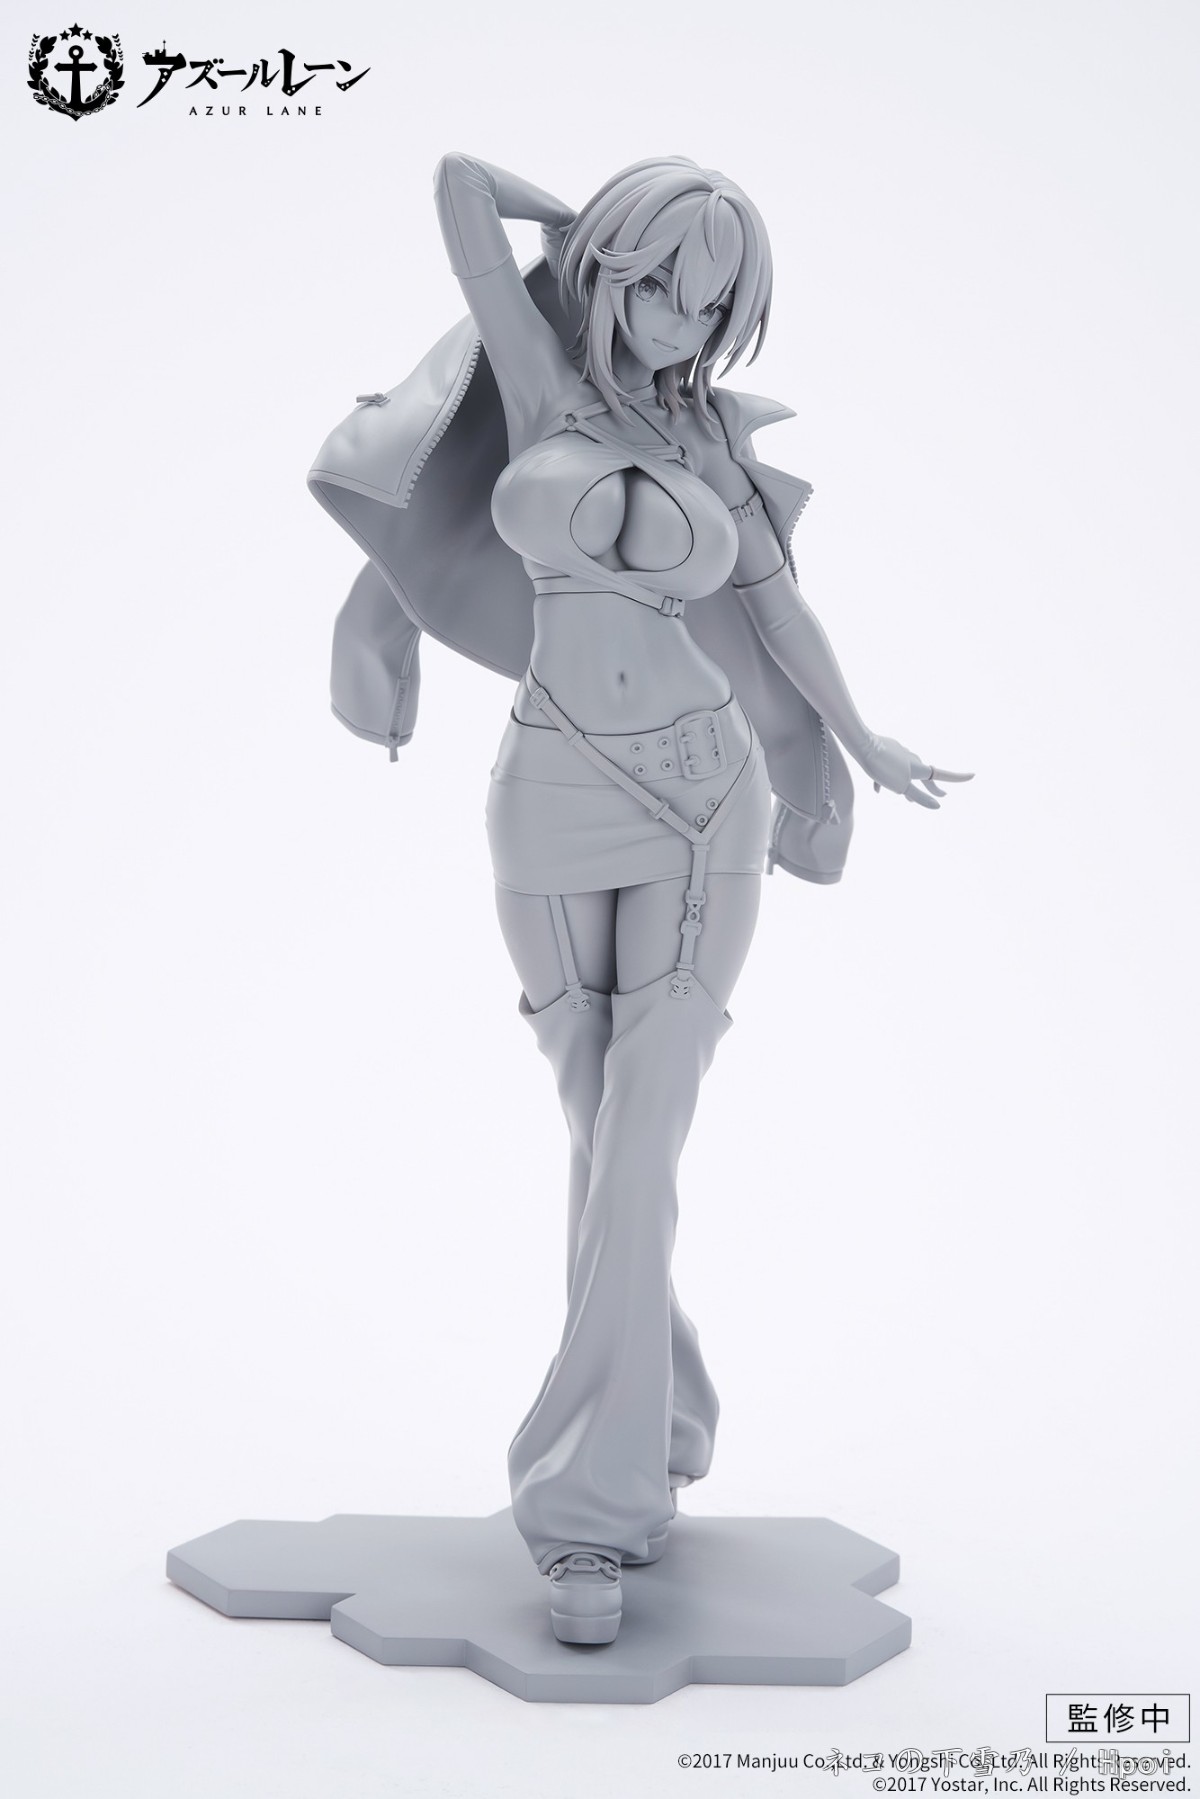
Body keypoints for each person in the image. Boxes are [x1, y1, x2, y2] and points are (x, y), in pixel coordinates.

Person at [314, 152, 971, 1647]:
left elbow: (778, 605)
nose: (679, 319)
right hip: (546, 788)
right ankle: (662, 1403)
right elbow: (458, 189)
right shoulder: (543, 383)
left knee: (638, 1137)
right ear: (610, 272)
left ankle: (588, 1519)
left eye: (710, 302)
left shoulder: (708, 439)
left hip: (700, 797)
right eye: (656, 281)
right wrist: (589, 222)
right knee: (598, 1126)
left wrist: (864, 738)